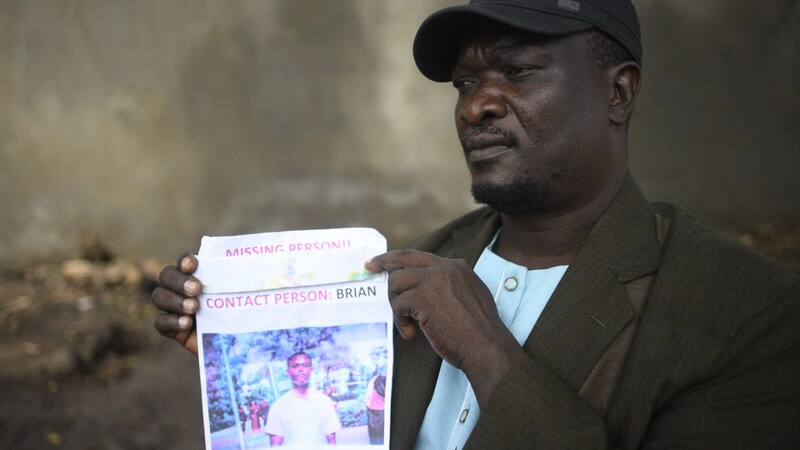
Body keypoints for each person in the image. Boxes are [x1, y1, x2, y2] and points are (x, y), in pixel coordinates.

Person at [152, 0, 800, 448]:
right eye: (465, 83)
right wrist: (226, 349)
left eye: (517, 72)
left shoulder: (749, 315)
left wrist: (488, 352)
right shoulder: (405, 275)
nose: (477, 106)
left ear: (619, 93)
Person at [263, 352, 341, 446]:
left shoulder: (324, 402)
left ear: (311, 369)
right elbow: (275, 446)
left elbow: (332, 441)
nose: (300, 369)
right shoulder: (278, 407)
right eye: (295, 366)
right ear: (288, 372)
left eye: (305, 365)